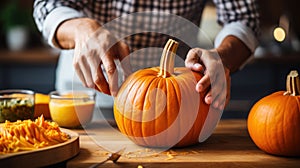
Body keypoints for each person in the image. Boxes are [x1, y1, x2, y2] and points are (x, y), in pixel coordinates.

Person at [33, 0, 259, 113]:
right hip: (87, 94)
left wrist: (222, 57)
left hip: (177, 99)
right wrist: (81, 28)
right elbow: (48, 4)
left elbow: (243, 18)